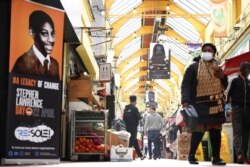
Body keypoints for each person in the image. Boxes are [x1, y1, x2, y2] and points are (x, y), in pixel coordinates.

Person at [181, 43, 228, 165]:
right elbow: (186, 84)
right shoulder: (193, 67)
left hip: (216, 103)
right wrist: (185, 100)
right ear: (202, 53)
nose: (207, 52)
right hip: (199, 103)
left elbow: (225, 85)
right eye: (205, 50)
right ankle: (191, 156)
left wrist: (223, 77)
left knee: (215, 130)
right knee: (198, 130)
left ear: (214, 53)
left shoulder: (218, 68)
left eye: (210, 50)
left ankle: (216, 158)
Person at [12, 10, 59, 79]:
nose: (51, 40)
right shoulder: (22, 63)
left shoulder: (54, 64)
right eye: (44, 33)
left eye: (52, 34)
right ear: (32, 33)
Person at [227, 62, 250, 164]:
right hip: (236, 109)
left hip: (248, 110)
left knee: (246, 133)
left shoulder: (249, 82)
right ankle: (239, 154)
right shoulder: (234, 80)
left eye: (249, 70)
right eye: (247, 69)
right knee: (238, 131)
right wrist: (227, 107)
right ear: (242, 70)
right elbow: (228, 93)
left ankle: (244, 155)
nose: (248, 72)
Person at [123, 95, 146, 160]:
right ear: (135, 101)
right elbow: (138, 117)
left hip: (127, 127)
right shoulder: (134, 108)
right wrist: (141, 116)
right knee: (131, 140)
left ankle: (141, 155)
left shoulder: (126, 109)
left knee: (134, 141)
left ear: (130, 100)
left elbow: (124, 118)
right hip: (133, 127)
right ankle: (127, 155)